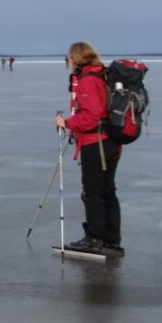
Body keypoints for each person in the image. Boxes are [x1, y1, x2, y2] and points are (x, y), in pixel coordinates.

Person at [54, 41, 122, 251]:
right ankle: (110, 238)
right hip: (111, 142)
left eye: (69, 58)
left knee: (93, 191)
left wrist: (66, 123)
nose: (68, 62)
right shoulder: (102, 75)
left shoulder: (88, 80)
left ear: (76, 58)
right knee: (107, 190)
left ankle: (94, 238)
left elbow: (91, 116)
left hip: (96, 144)